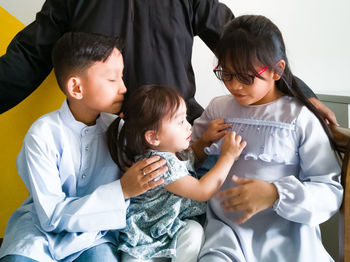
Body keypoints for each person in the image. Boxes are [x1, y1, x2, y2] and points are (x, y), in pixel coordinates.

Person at [0, 0, 337, 125]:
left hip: (179, 131)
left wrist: (302, 95)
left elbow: (249, 47)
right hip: (101, 134)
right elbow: (28, 56)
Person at [0, 32, 168, 262]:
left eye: (122, 77)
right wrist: (122, 190)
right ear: (76, 88)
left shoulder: (120, 129)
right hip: (37, 234)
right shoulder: (41, 135)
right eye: (112, 79)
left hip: (95, 235)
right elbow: (50, 216)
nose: (124, 88)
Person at [191, 15, 343, 262]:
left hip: (287, 233)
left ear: (276, 70)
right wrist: (200, 145)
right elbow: (182, 165)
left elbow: (329, 189)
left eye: (246, 77)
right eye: (226, 75)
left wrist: (275, 193)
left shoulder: (298, 117)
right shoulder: (218, 109)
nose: (234, 86)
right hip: (227, 234)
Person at [106, 85, 246, 262]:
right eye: (180, 122)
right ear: (153, 137)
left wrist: (204, 140)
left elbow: (191, 158)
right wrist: (228, 156)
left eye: (186, 119)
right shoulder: (159, 164)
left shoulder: (170, 151)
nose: (189, 126)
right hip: (146, 238)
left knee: (193, 231)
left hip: (172, 228)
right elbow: (202, 191)